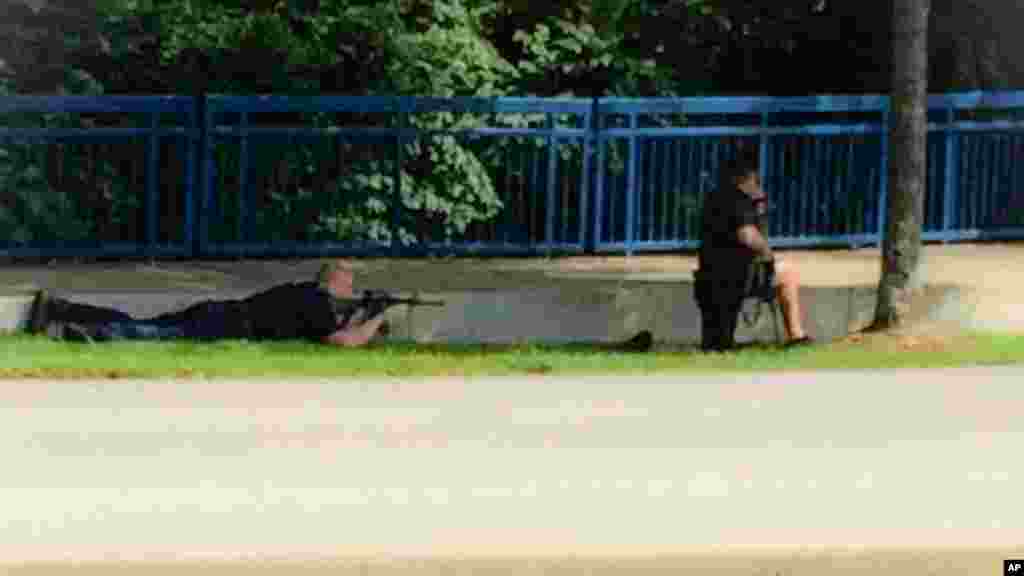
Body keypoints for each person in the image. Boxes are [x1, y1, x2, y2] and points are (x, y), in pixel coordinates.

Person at [27, 260, 388, 346]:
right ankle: (76, 332)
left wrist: (361, 314)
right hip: (226, 325)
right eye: (349, 284)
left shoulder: (303, 292)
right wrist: (377, 316)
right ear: (334, 284)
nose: (351, 289)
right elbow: (342, 341)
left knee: (145, 324)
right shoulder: (319, 304)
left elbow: (331, 327)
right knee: (145, 333)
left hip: (221, 311)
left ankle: (61, 309)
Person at [696, 150, 811, 350]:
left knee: (717, 341)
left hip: (708, 274)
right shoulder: (738, 199)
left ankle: (718, 344)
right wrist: (768, 255)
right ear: (747, 178)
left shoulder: (714, 197)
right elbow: (748, 235)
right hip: (737, 274)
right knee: (788, 273)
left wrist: (758, 206)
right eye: (755, 179)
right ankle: (796, 336)